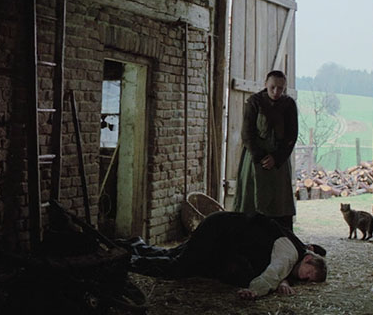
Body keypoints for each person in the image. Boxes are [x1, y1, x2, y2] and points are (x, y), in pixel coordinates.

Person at [123, 211, 327, 300]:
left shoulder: (294, 248)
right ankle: (127, 262)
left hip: (220, 226)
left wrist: (285, 281)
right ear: (308, 259)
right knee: (180, 266)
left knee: (176, 253)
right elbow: (273, 273)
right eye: (310, 274)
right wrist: (254, 291)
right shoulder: (291, 252)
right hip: (219, 232)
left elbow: (282, 269)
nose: (306, 279)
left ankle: (132, 245)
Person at [233, 70, 298, 231]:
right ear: (266, 85)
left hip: (278, 161)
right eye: (273, 87)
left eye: (280, 88)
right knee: (252, 197)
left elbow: (292, 134)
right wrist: (261, 156)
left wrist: (276, 158)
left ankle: (280, 236)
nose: (276, 92)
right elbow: (247, 133)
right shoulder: (254, 102)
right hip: (256, 159)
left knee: (279, 199)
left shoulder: (289, 104)